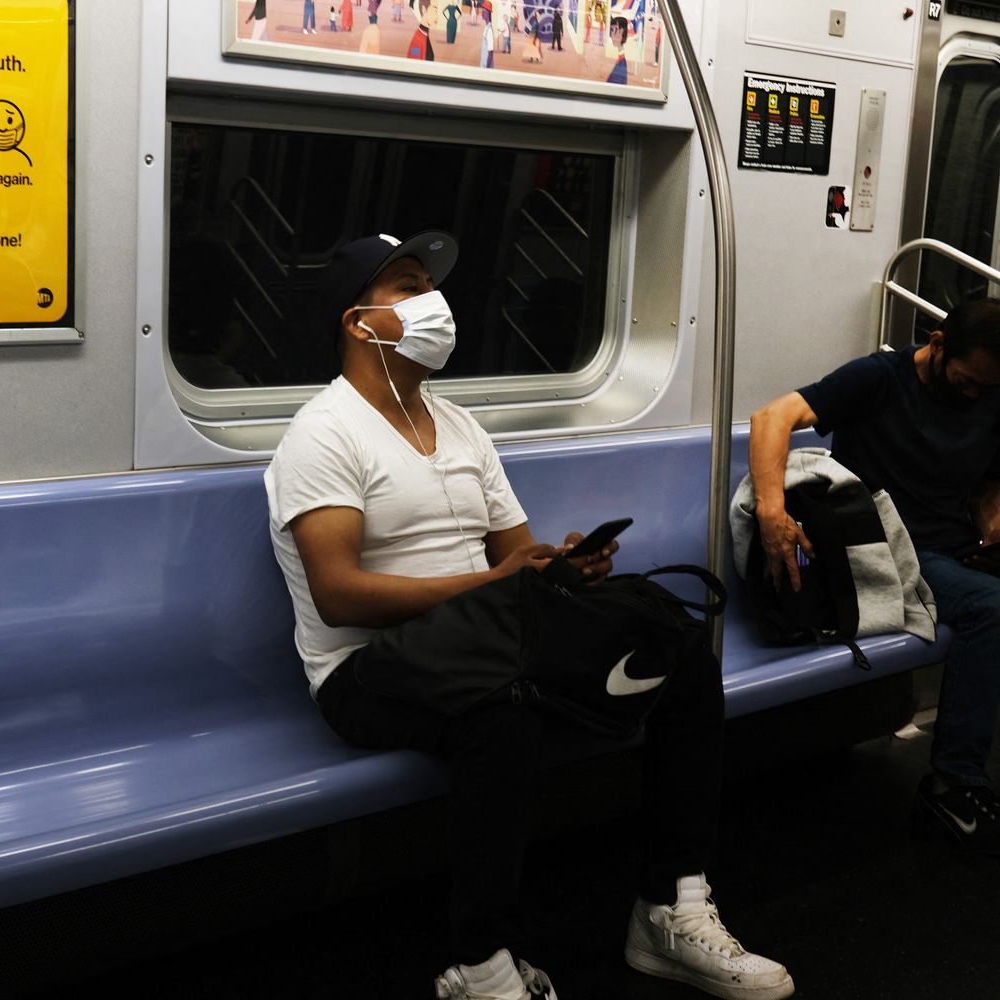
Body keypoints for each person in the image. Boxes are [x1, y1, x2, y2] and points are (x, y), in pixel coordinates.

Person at [266, 231, 795, 1000]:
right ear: (358, 323)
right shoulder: (323, 434)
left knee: (678, 650)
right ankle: (482, 962)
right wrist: (497, 584)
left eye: (430, 285)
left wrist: (560, 565)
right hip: (366, 670)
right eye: (407, 287)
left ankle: (669, 906)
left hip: (478, 638)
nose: (431, 303)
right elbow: (339, 594)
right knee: (502, 713)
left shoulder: (459, 426)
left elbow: (518, 553)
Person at [749, 298, 1000, 855]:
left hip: (956, 544)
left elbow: (988, 481)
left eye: (986, 390)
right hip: (891, 551)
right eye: (966, 383)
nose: (975, 397)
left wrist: (990, 513)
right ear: (937, 344)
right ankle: (953, 782)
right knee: (991, 607)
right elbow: (773, 418)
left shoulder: (989, 391)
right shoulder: (879, 379)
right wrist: (772, 511)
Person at [606, 15, 629, 83]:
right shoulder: (620, 59)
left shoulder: (621, 63)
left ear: (621, 32)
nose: (611, 34)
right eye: (611, 30)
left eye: (614, 30)